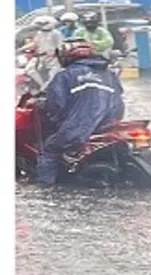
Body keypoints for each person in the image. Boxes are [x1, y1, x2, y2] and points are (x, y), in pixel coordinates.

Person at [35, 38, 125, 184]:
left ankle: (47, 190)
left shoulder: (64, 76)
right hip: (110, 125)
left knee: (50, 151)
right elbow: (119, 99)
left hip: (80, 126)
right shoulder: (109, 74)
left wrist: (45, 108)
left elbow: (56, 105)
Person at [24, 15, 64, 88]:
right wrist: (21, 49)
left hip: (53, 58)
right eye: (40, 24)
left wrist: (55, 52)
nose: (41, 26)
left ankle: (49, 88)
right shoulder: (40, 33)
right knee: (30, 70)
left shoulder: (56, 33)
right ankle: (42, 86)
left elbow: (60, 45)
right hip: (41, 57)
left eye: (43, 24)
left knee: (53, 75)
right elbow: (35, 43)